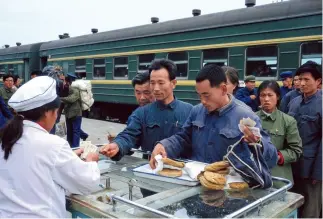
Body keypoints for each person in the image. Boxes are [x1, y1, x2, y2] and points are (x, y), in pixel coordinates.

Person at [0, 76, 100, 218]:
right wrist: (91, 161)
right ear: (48, 112)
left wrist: (69, 157)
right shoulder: (53, 145)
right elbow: (87, 183)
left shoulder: (6, 138)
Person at [149, 64, 278, 171]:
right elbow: (183, 138)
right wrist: (163, 145)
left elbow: (271, 158)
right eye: (199, 96)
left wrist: (258, 144)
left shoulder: (246, 116)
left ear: (223, 89)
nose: (203, 101)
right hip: (198, 180)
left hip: (228, 188)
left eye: (206, 95)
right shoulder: (196, 111)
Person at [100, 59, 193, 196]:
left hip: (181, 179)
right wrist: (117, 145)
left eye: (161, 83)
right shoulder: (141, 113)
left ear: (173, 83)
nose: (155, 88)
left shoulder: (189, 111)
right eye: (152, 83)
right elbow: (130, 135)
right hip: (151, 178)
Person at [288, 61, 322, 218]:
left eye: (306, 79)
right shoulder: (294, 103)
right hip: (292, 165)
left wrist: (318, 173)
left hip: (311, 169)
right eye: (300, 79)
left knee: (310, 209)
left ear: (318, 81)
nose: (302, 83)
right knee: (292, 205)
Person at [256, 80, 302, 188]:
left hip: (279, 179)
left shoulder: (288, 121)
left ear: (277, 97)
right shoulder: (251, 119)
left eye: (270, 95)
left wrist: (277, 156)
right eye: (262, 95)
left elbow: (296, 150)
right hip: (255, 177)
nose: (266, 99)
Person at [60, 73, 84, 148]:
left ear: (68, 81)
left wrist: (61, 99)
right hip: (69, 114)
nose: (63, 82)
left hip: (76, 113)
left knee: (75, 131)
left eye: (64, 81)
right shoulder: (67, 88)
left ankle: (75, 147)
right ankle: (70, 146)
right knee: (70, 131)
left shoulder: (75, 89)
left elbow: (72, 99)